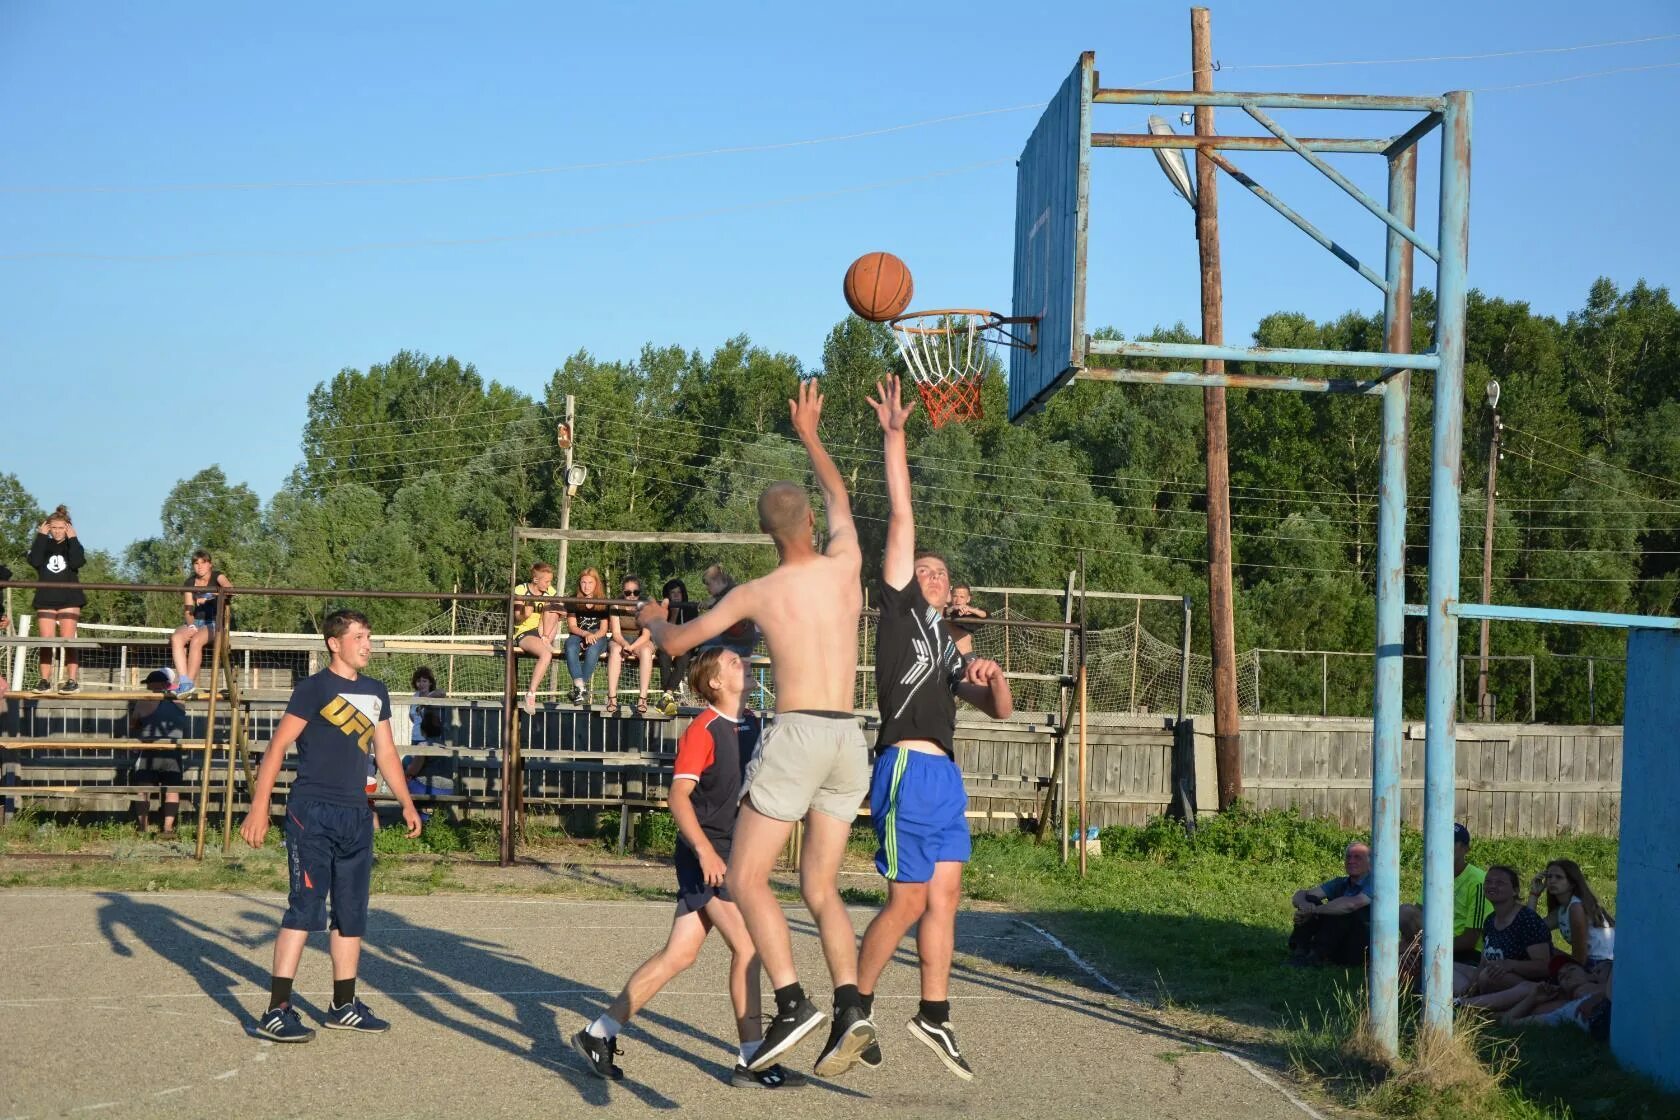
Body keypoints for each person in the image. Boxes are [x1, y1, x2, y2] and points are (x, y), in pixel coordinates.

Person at [640, 378, 869, 1075]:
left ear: (768, 535)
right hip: (849, 740)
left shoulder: (759, 592)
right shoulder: (848, 563)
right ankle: (855, 1006)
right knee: (821, 887)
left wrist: (652, 619)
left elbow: (680, 646)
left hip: (800, 733)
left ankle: (794, 1002)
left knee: (743, 878)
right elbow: (840, 499)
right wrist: (810, 434)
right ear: (810, 527)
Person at [848, 376, 1014, 1081]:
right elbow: (902, 515)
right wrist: (895, 435)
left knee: (945, 895)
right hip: (908, 769)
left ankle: (934, 1016)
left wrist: (996, 683)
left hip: (946, 776)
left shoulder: (951, 649)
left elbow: (998, 714)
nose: (935, 574)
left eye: (943, 572)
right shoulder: (899, 610)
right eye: (926, 569)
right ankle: (852, 1004)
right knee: (909, 899)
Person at [571, 647, 806, 1090]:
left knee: (679, 955)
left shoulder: (754, 724)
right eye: (734, 662)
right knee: (751, 949)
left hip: (736, 855)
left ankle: (597, 1033)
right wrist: (705, 852)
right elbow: (678, 799)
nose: (744, 664)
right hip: (709, 855)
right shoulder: (704, 729)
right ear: (714, 682)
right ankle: (752, 1060)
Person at [239, 609, 422, 1043]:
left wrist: (407, 803)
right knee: (305, 907)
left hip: (357, 815)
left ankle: (343, 1005)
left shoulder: (376, 692)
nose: (367, 644)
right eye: (358, 636)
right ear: (333, 644)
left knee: (351, 912)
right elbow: (277, 748)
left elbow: (386, 754)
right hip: (312, 812)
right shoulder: (313, 689)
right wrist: (259, 807)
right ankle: (277, 1009)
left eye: (369, 636)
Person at [1399, 822, 1493, 980]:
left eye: (1452, 842)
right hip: (1432, 941)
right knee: (1405, 912)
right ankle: (1412, 962)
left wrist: (1417, 947)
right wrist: (1407, 946)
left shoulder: (1478, 881)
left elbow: (1471, 939)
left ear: (1465, 849)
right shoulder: (1435, 876)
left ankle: (1418, 964)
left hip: (1465, 952)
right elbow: (1414, 918)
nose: (1446, 846)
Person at [1455, 865, 1553, 998]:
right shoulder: (1490, 920)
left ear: (1515, 891)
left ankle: (1467, 1004)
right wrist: (1471, 986)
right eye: (1488, 882)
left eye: (1500, 883)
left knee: (1487, 976)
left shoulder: (1527, 919)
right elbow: (1484, 962)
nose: (1492, 886)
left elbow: (1544, 966)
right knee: (1444, 965)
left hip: (1528, 986)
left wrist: (1510, 965)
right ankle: (1463, 999)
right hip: (1492, 978)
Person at [1461, 956, 1611, 1032]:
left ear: (1592, 975)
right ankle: (1461, 1006)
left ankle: (1460, 1005)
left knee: (1526, 988)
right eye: (1560, 976)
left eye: (1571, 969)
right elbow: (1507, 1021)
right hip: (1580, 1012)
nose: (1564, 974)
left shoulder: (1608, 989)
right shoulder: (1564, 1010)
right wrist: (1532, 999)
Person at [1287, 842, 1373, 967]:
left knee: (1342, 909)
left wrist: (1314, 911)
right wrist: (1304, 905)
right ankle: (1300, 951)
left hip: (1359, 947)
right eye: (1348, 857)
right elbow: (1302, 894)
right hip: (1336, 939)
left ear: (1370, 864)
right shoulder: (1340, 882)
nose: (1351, 861)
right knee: (1311, 900)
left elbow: (1351, 904)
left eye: (1357, 857)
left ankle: (1317, 956)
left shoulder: (1375, 884)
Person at [28, 506, 86, 693]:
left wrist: (74, 538)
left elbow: (77, 562)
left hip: (69, 598)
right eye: (53, 527)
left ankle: (71, 681)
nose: (57, 531)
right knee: (46, 641)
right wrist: (40, 537)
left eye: (61, 528)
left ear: (68, 527)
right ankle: (44, 681)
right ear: (47, 528)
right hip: (46, 598)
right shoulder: (43, 544)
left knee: (68, 641)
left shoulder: (73, 544)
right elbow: (35, 561)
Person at [128, 668, 190, 837]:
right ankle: (168, 828)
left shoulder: (143, 702)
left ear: (150, 685)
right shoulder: (180, 702)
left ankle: (142, 827)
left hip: (149, 750)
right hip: (173, 750)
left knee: (143, 790)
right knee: (172, 790)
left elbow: (134, 724)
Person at [1528, 858, 1615, 972]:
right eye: (1549, 877)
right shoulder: (1562, 910)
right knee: (1538, 948)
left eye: (1559, 877)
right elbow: (1531, 930)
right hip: (1587, 962)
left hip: (1601, 965)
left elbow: (1580, 958)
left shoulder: (1576, 907)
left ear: (1572, 883)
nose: (1552, 881)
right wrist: (1534, 894)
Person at [168, 550, 232, 700]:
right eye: (196, 563)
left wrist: (209, 595)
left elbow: (230, 589)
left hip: (215, 622)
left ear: (210, 564)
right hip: (196, 621)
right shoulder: (190, 583)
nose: (200, 566)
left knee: (196, 641)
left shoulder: (218, 576)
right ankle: (184, 682)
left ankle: (189, 683)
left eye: (203, 563)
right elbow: (188, 610)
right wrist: (191, 625)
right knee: (176, 638)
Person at [512, 562, 564, 717]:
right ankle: (531, 694)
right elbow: (517, 619)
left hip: (544, 631)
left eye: (550, 581)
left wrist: (559, 612)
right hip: (525, 632)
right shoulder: (521, 590)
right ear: (535, 580)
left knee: (553, 608)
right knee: (546, 654)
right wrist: (524, 614)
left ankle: (547, 639)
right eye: (546, 581)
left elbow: (561, 614)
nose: (549, 585)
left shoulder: (550, 592)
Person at [607, 575, 655, 715]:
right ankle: (612, 697)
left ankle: (642, 698)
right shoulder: (616, 604)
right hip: (621, 638)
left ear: (640, 592)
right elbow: (616, 632)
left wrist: (631, 648)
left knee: (646, 652)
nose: (632, 596)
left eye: (636, 592)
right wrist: (624, 644)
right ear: (623, 592)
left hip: (641, 640)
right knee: (615, 650)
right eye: (628, 593)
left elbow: (646, 635)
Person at [563, 568, 611, 706]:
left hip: (598, 635)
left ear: (596, 584)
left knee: (593, 649)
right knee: (570, 645)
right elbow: (572, 626)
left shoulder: (603, 602)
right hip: (579, 633)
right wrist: (585, 635)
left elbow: (603, 629)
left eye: (590, 582)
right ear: (579, 583)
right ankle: (580, 687)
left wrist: (592, 637)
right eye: (583, 582)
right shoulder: (573, 600)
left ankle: (579, 689)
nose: (586, 586)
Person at [403, 667, 452, 800]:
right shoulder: (415, 696)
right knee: (414, 766)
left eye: (425, 681)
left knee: (427, 767)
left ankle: (426, 793)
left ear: (430, 683)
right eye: (419, 681)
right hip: (417, 736)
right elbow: (412, 715)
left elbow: (442, 692)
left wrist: (425, 701)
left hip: (431, 738)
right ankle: (413, 793)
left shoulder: (435, 694)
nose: (421, 684)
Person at [655, 578, 699, 708]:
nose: (676, 595)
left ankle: (667, 695)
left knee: (683, 659)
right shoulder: (662, 610)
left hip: (685, 646)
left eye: (679, 592)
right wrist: (673, 615)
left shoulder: (690, 609)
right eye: (672, 592)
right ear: (667, 595)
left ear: (683, 594)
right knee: (663, 656)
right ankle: (668, 696)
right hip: (667, 644)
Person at [700, 565, 761, 657]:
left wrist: (716, 601)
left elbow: (731, 603)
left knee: (703, 649)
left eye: (709, 584)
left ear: (718, 581)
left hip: (741, 644)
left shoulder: (735, 593)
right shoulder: (728, 593)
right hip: (732, 639)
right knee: (699, 642)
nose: (707, 588)